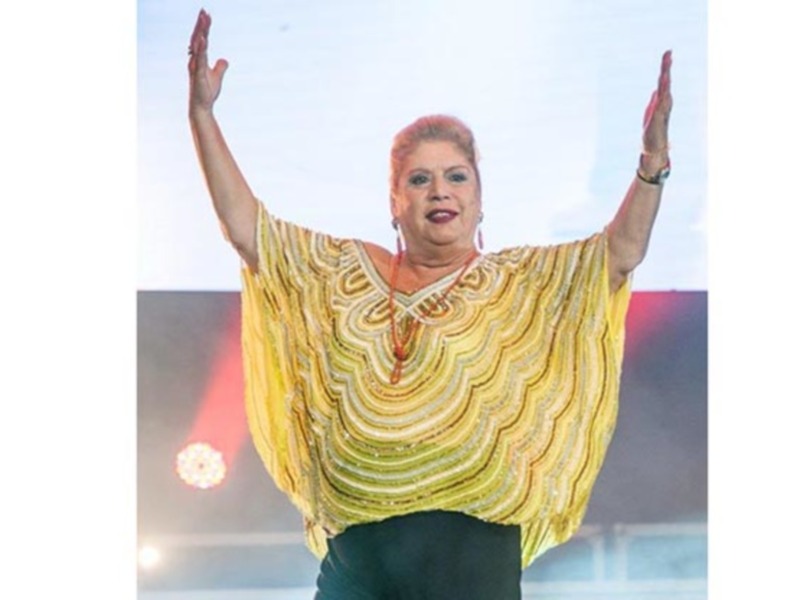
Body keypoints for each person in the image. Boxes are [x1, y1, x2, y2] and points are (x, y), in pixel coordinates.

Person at [187, 8, 672, 600]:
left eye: (456, 176)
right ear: (395, 202)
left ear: (479, 197)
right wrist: (203, 117)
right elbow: (248, 231)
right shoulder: (338, 271)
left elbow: (617, 255)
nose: (439, 190)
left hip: (472, 563)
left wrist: (650, 168)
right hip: (357, 564)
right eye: (419, 180)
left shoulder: (520, 282)